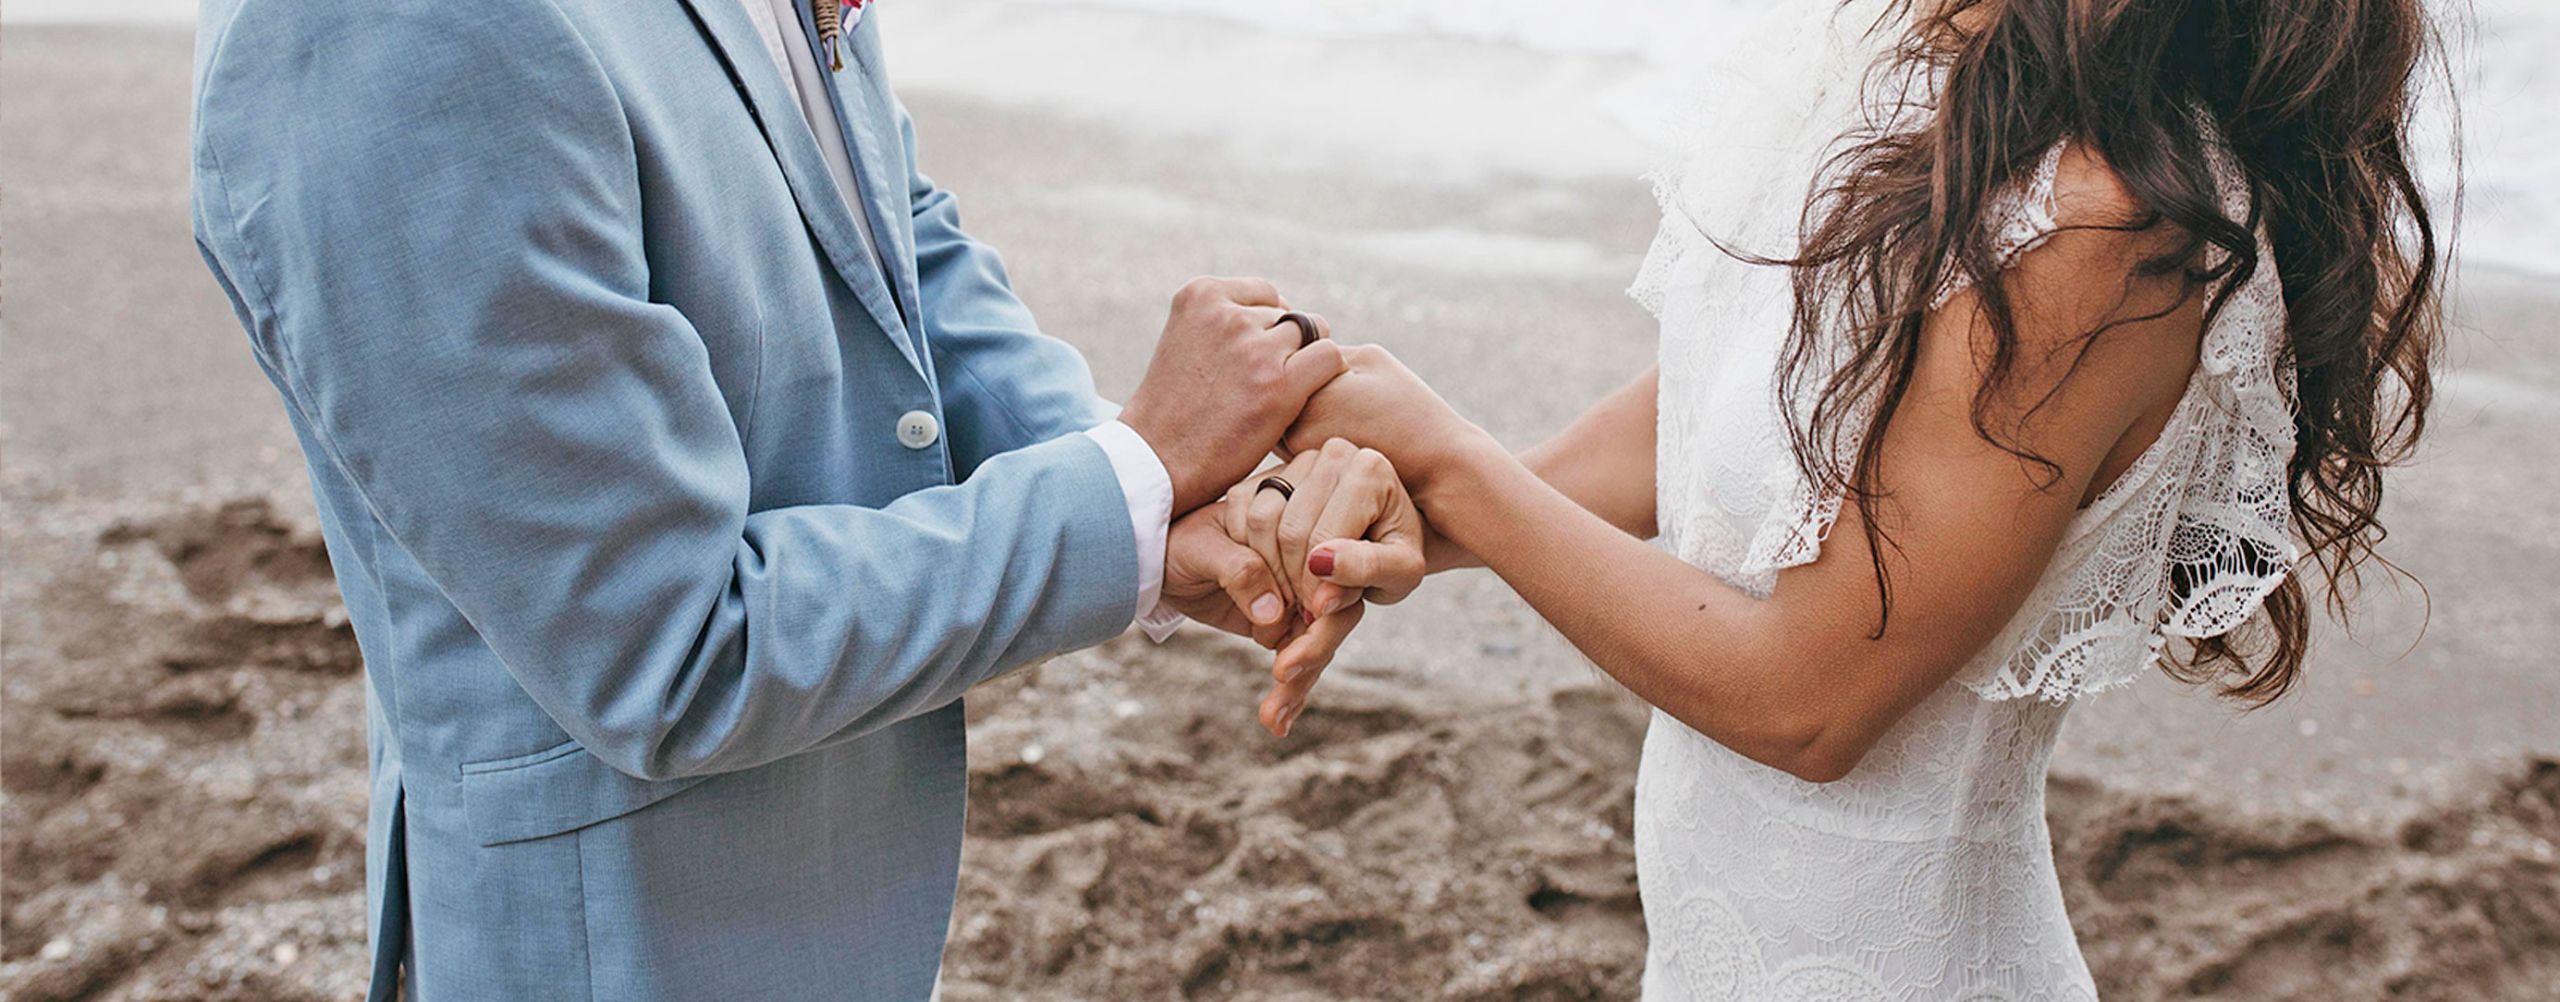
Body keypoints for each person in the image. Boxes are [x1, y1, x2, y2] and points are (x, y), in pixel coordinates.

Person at [1229, 0, 2446, 996]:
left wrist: (1446, 460)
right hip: (1711, 953)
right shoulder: (1921, 73)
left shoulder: (2107, 228)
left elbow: (1809, 702)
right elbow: (1712, 403)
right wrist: (1402, 514)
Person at [186, 0, 1365, 996]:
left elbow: (887, 236)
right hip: (637, 931)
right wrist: (1130, 488)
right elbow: (668, 649)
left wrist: (1160, 500)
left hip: (838, 867)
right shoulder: (396, 31)